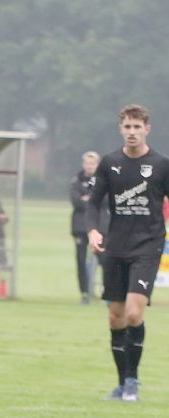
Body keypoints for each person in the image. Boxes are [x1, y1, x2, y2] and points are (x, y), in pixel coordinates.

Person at [87, 104, 168, 402]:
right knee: (115, 317)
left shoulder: (161, 164)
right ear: (121, 129)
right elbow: (94, 203)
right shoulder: (109, 163)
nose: (132, 132)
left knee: (135, 312)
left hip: (148, 246)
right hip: (116, 246)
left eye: (137, 127)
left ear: (148, 128)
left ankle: (133, 381)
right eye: (127, 127)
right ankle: (121, 384)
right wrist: (94, 230)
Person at [70, 151, 108, 305]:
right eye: (87, 163)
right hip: (80, 226)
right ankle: (85, 292)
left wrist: (88, 199)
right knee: (80, 259)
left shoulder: (103, 180)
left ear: (97, 165)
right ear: (83, 164)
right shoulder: (76, 181)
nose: (90, 166)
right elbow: (76, 202)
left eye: (93, 163)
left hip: (99, 226)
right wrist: (91, 199)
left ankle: (107, 291)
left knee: (104, 259)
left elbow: (105, 200)